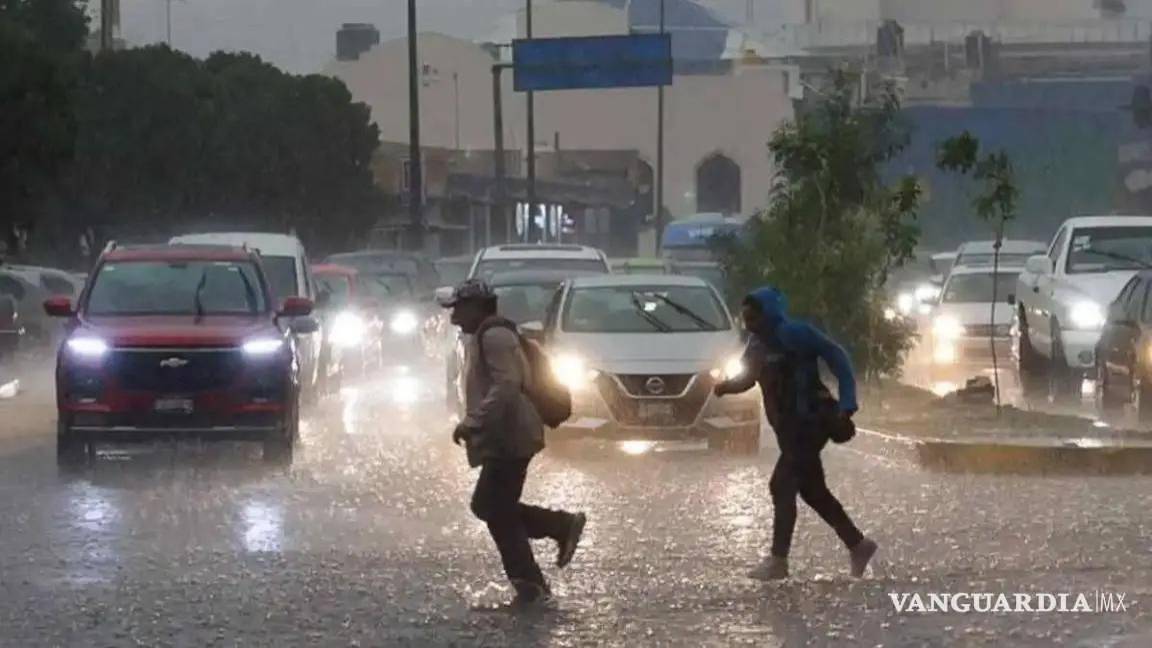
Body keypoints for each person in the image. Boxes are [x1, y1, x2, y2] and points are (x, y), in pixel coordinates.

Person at [440, 279, 587, 606]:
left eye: (459, 308)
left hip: (511, 435)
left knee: (494, 507)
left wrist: (473, 422)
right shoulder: (489, 335)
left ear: (478, 307)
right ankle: (538, 564)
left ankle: (535, 570)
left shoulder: (494, 336)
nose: (453, 315)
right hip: (506, 434)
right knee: (492, 506)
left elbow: (508, 385)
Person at [714, 286, 877, 580]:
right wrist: (725, 387)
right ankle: (857, 544)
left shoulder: (797, 334)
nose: (750, 324)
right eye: (746, 319)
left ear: (769, 314)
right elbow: (748, 377)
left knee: (781, 484)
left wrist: (848, 403)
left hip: (812, 421)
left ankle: (778, 560)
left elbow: (838, 358)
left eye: (754, 318)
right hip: (787, 428)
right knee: (813, 491)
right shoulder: (756, 345)